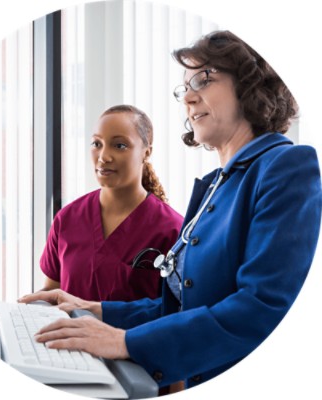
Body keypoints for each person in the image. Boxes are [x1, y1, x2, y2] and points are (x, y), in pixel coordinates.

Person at [19, 31, 322, 391]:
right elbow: (181, 307)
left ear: (250, 85)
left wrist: (123, 342)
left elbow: (262, 308)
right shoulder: (216, 187)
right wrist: (95, 309)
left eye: (203, 79)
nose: (189, 97)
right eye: (184, 89)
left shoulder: (286, 166)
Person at [21, 104, 183, 302]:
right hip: (68, 334)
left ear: (146, 152)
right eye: (97, 144)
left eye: (119, 145)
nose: (103, 157)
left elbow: (175, 310)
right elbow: (52, 293)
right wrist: (26, 308)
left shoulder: (172, 230)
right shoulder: (67, 219)